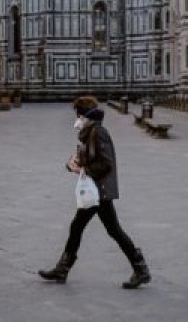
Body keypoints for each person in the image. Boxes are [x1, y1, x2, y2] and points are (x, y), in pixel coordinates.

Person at [38, 96, 151, 289]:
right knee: (109, 230)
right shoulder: (90, 132)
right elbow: (89, 157)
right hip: (96, 190)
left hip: (99, 191)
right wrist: (73, 164)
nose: (76, 118)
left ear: (83, 115)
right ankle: (140, 269)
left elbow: (106, 163)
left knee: (86, 227)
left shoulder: (98, 132)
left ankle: (63, 269)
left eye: (77, 114)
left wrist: (83, 170)